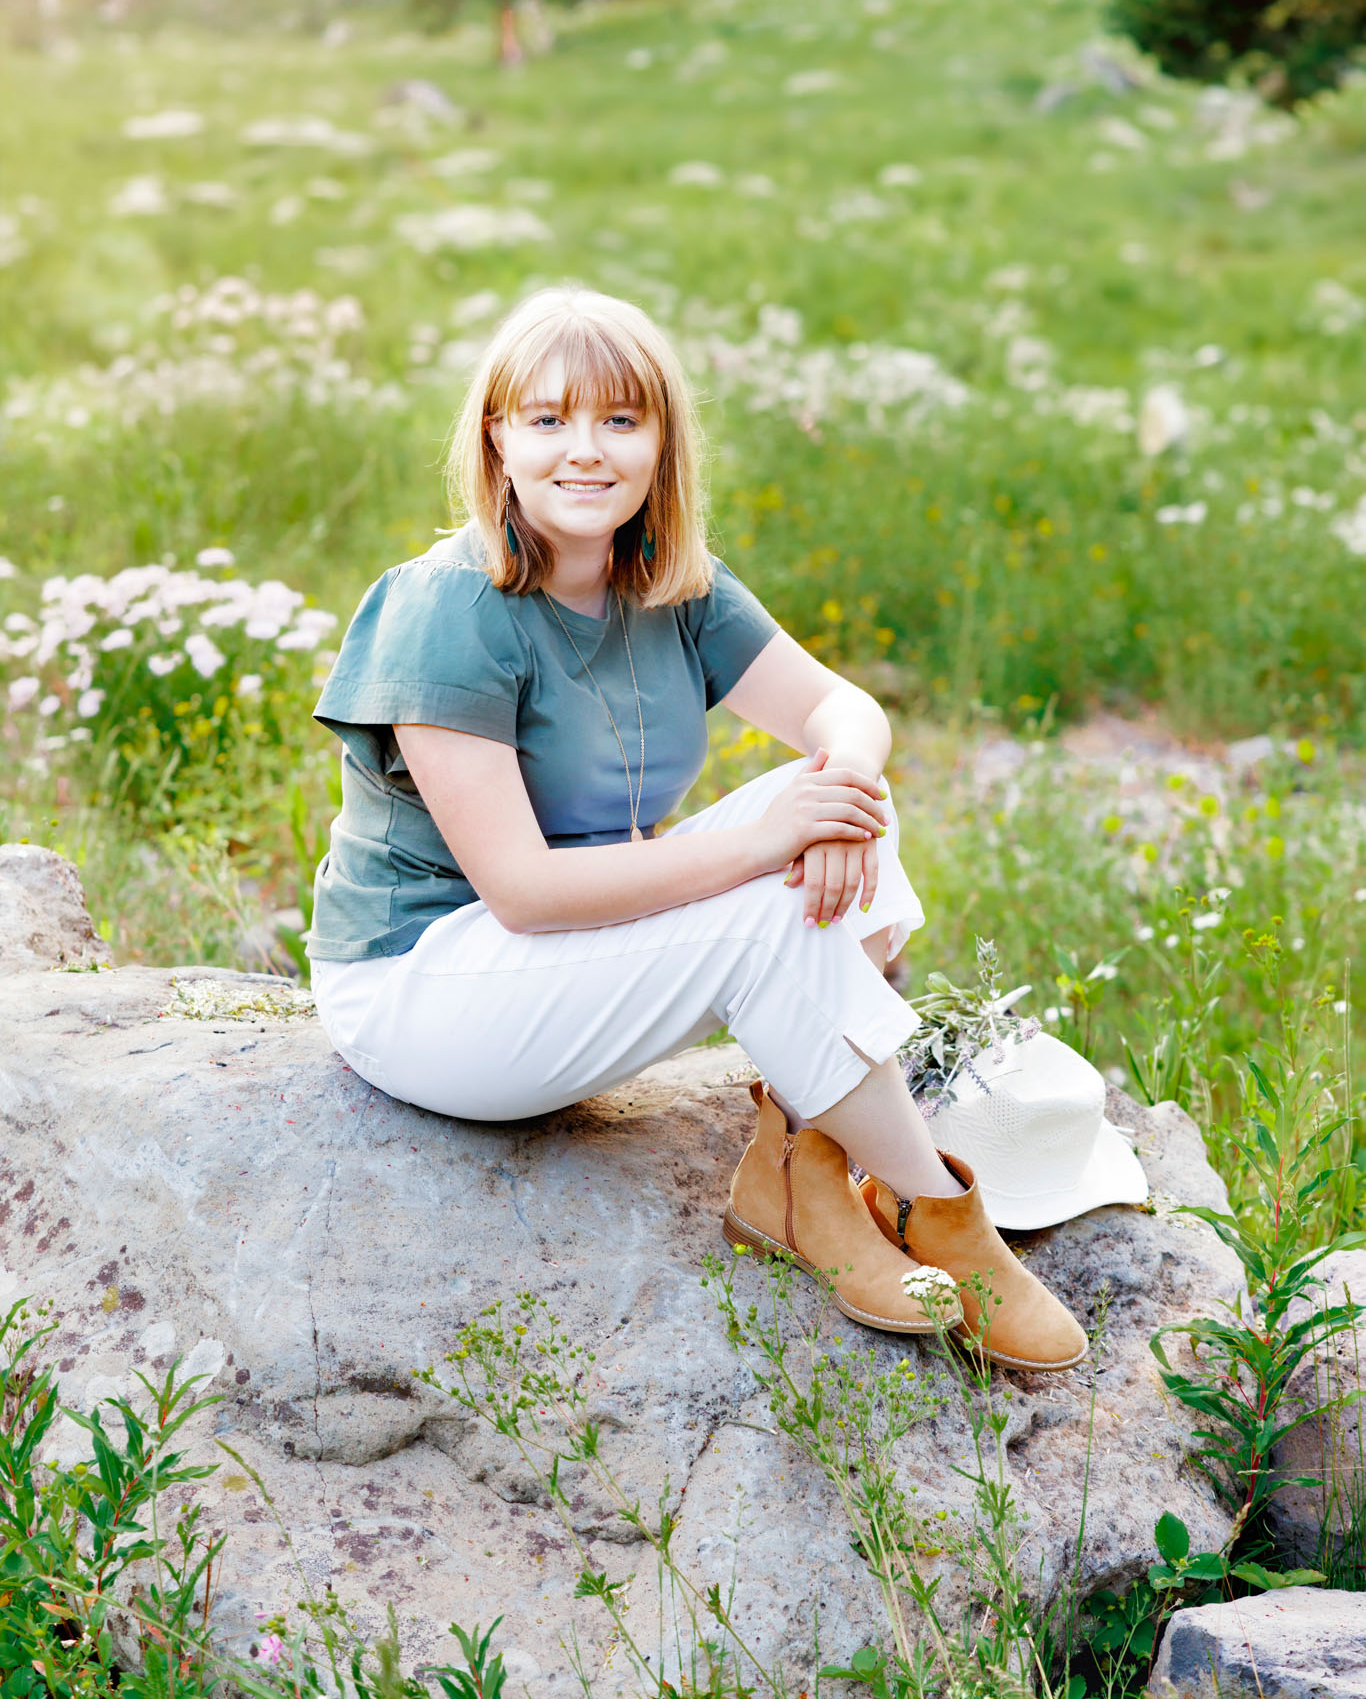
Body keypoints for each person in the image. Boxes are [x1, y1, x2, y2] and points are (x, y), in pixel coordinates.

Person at [308, 288, 1086, 1371]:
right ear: (495, 436)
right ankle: (935, 1213)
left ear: (662, 439)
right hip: (429, 984)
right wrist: (773, 839)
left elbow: (844, 710)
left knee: (850, 792)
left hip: (568, 964)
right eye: (547, 420)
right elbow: (523, 890)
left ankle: (797, 1167)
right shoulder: (445, 607)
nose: (585, 452)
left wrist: (842, 788)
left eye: (620, 421)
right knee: (764, 905)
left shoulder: (668, 584)